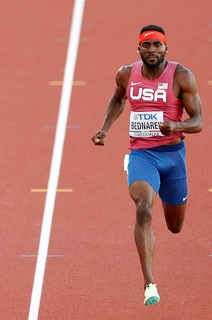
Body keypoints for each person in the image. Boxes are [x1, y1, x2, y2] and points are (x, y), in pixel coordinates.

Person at [92, 25, 203, 306]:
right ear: (138, 49)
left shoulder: (181, 76)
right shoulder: (126, 74)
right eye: (146, 45)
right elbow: (118, 99)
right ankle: (149, 283)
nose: (151, 50)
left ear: (166, 48)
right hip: (142, 155)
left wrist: (176, 125)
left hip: (173, 156)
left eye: (157, 45)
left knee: (175, 226)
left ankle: (167, 193)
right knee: (143, 206)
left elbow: (198, 121)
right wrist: (104, 128)